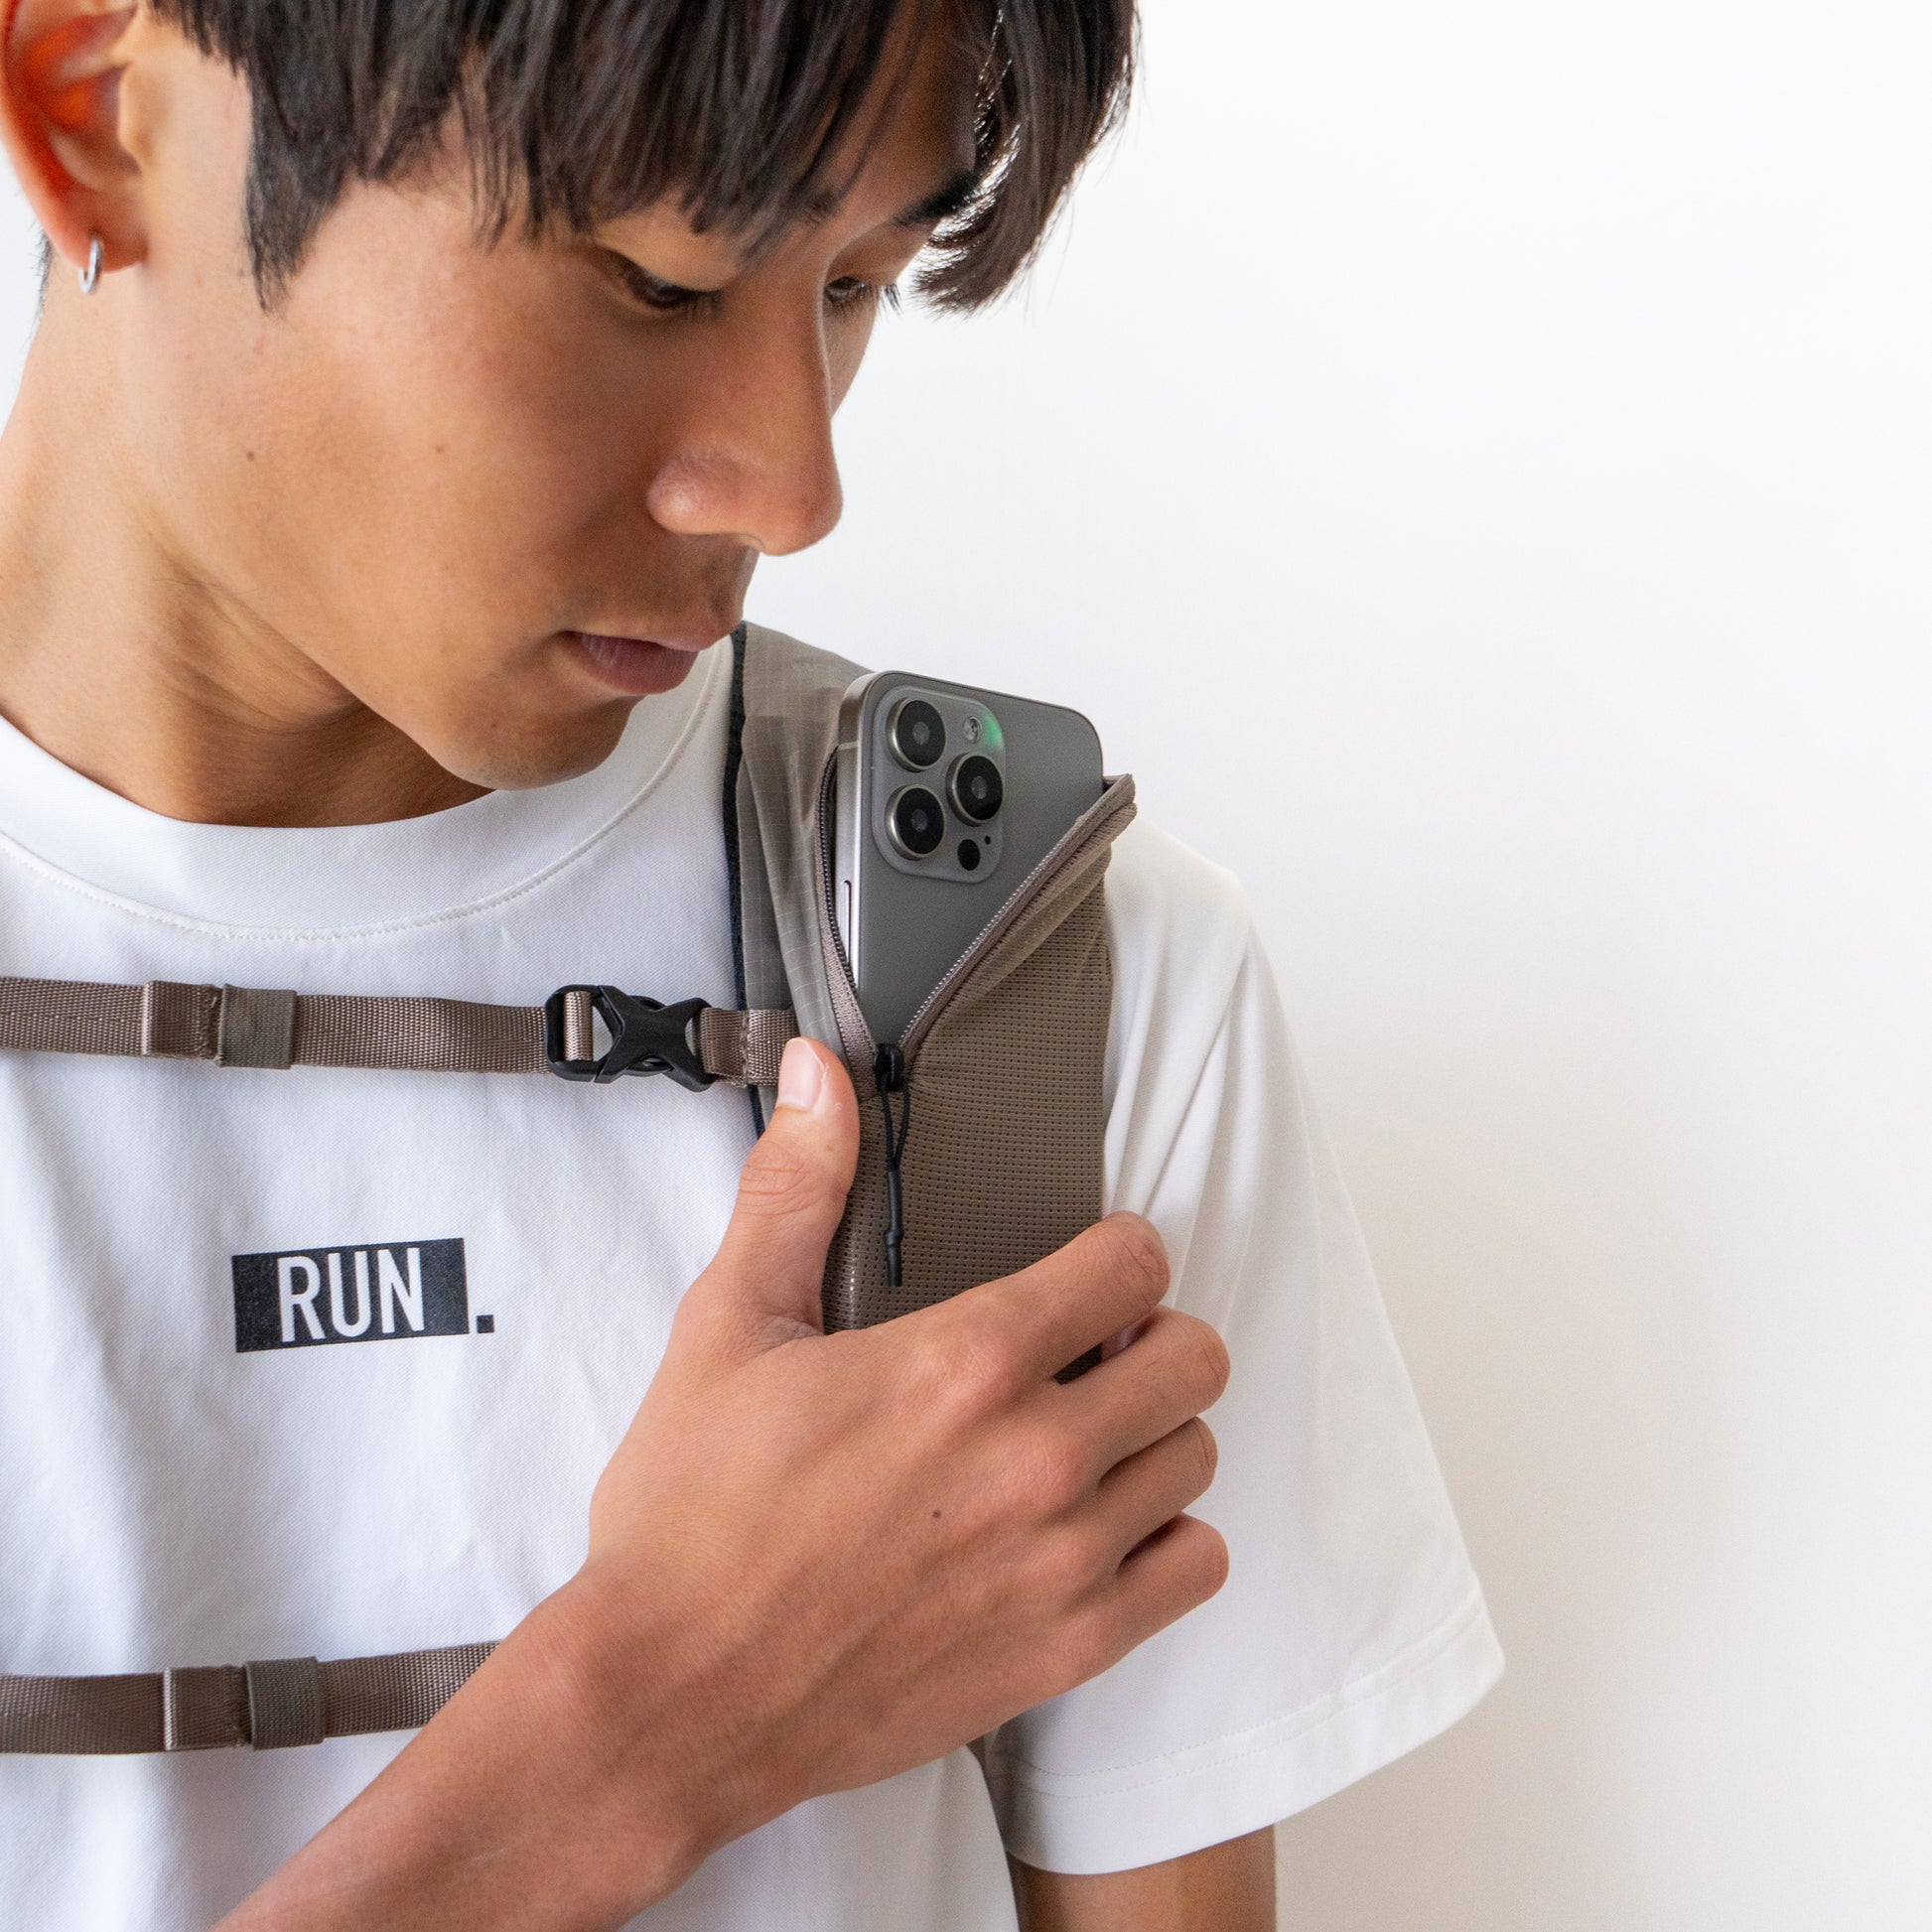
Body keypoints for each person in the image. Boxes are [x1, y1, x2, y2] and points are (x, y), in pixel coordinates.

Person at [0, 2, 1502, 1926]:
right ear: (92, 110)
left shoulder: (1035, 973)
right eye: (659, 278)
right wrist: (646, 1726)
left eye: (858, 282)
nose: (796, 489)